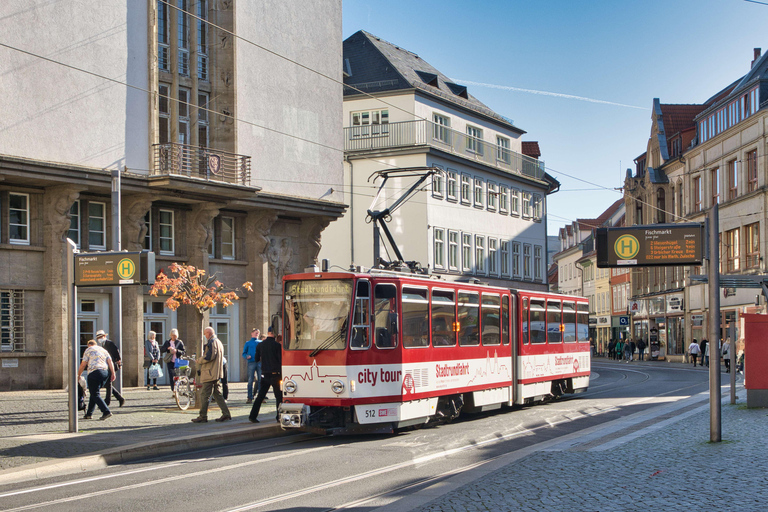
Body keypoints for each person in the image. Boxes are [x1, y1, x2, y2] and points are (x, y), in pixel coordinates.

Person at [192, 326, 231, 423]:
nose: (205, 335)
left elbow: (209, 357)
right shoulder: (218, 342)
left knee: (205, 394)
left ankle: (203, 416)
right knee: (217, 394)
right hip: (215, 372)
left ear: (208, 333)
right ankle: (226, 414)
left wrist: (199, 360)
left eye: (205, 333)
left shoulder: (212, 342)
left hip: (210, 372)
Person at [249, 327, 283, 423]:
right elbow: (281, 360)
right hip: (276, 374)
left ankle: (252, 416)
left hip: (264, 374)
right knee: (279, 397)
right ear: (274, 334)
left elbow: (256, 359)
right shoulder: (277, 346)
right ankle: (279, 417)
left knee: (260, 396)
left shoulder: (260, 345)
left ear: (268, 333)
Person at [77, 339, 115, 420]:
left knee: (95, 394)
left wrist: (78, 375)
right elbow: (110, 361)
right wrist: (113, 373)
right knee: (94, 393)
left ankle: (106, 411)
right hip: (105, 372)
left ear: (89, 345)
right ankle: (89, 414)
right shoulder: (103, 350)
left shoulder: (88, 350)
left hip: (94, 372)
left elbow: (83, 364)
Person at [96, 330, 125, 407]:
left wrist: (119, 362)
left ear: (105, 336)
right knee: (107, 384)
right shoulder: (102, 345)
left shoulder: (109, 343)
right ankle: (119, 398)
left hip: (111, 365)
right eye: (98, 337)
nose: (100, 338)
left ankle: (107, 401)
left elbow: (116, 352)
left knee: (108, 383)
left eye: (101, 337)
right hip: (106, 365)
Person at [161, 329, 185, 393]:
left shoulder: (179, 342)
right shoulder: (167, 342)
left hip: (177, 361)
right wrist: (167, 348)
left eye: (175, 336)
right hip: (170, 361)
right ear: (170, 335)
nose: (174, 337)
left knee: (177, 375)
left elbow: (183, 351)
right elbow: (162, 349)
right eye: (172, 335)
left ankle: (177, 388)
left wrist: (177, 351)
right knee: (171, 375)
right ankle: (173, 390)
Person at [242, 328, 261, 404]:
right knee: (250, 380)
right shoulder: (248, 343)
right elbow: (244, 353)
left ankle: (260, 397)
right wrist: (247, 356)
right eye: (255, 333)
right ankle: (249, 397)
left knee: (260, 379)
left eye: (258, 333)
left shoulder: (261, 342)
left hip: (259, 362)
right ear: (252, 333)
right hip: (251, 362)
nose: (257, 334)